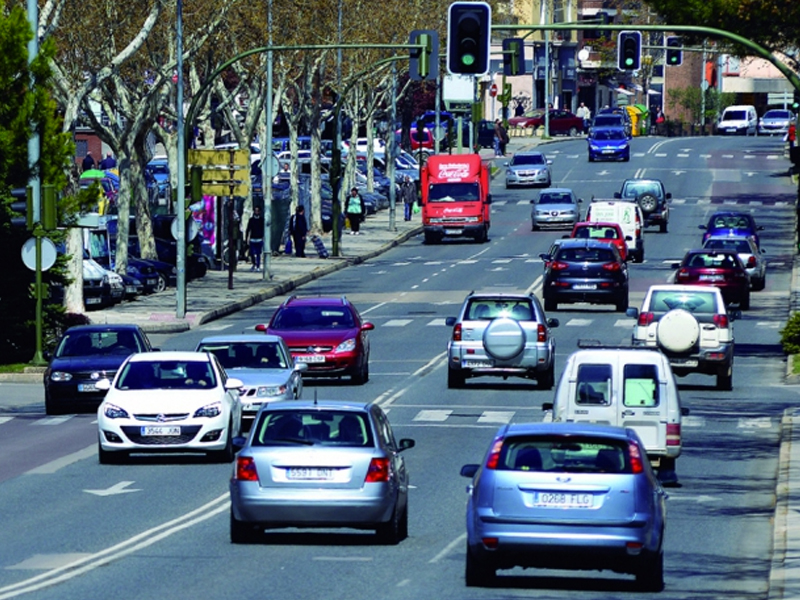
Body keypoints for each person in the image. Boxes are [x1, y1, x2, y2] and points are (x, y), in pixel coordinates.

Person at [245, 205, 265, 271]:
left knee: (258, 253)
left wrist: (263, 237)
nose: (256, 212)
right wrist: (247, 238)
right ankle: (254, 264)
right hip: (252, 239)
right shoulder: (251, 220)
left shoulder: (262, 220)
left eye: (258, 211)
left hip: (259, 239)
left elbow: (264, 229)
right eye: (255, 211)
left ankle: (258, 266)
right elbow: (248, 229)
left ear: (260, 212)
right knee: (252, 253)